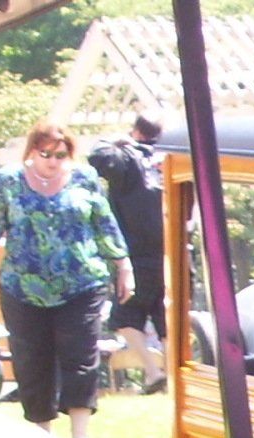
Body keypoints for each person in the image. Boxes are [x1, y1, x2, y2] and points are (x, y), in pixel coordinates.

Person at [0, 119, 130, 438]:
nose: (53, 161)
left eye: (60, 154)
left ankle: (81, 435)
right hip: (22, 286)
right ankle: (42, 436)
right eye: (46, 153)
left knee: (80, 355)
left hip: (81, 282)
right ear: (32, 152)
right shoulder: (9, 181)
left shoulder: (85, 179)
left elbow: (105, 224)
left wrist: (123, 266)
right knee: (31, 358)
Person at [88, 110, 168, 394]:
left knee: (123, 318)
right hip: (174, 251)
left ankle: (153, 370)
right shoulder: (169, 158)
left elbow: (96, 155)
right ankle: (175, 375)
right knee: (167, 317)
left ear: (136, 131)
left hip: (136, 253)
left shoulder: (126, 157)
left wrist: (116, 140)